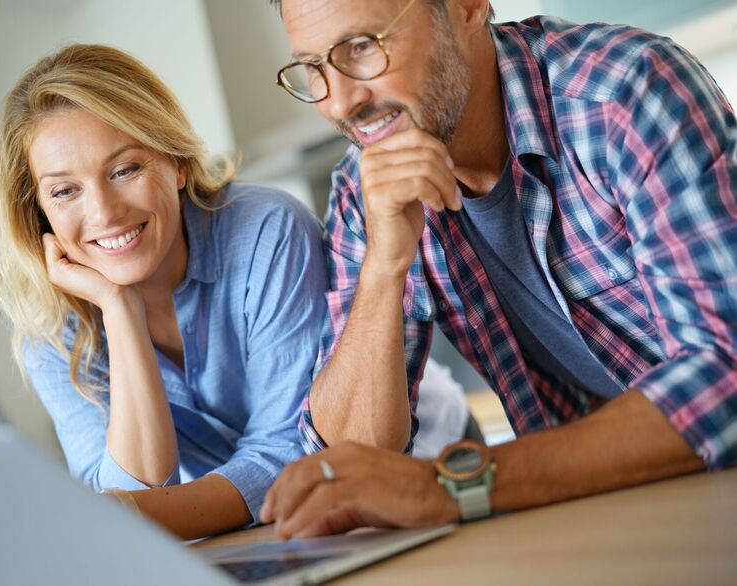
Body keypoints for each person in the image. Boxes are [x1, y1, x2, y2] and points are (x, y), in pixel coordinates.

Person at [259, 0, 737, 538]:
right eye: (314, 67)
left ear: (466, 8)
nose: (342, 102)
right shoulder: (363, 187)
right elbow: (347, 466)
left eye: (363, 46)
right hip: (626, 511)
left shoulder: (624, 92)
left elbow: (726, 378)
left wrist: (452, 487)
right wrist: (383, 269)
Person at [0, 44, 327, 540]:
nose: (103, 213)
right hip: (249, 536)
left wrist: (125, 516)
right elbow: (124, 487)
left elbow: (291, 451)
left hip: (398, 483)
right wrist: (120, 312)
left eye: (124, 170)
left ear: (176, 162)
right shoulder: (48, 320)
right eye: (65, 191)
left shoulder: (266, 230)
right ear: (40, 211)